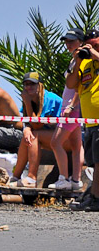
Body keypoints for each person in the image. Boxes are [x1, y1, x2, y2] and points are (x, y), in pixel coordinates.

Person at [8, 72, 62, 187]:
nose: (29, 87)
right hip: (52, 139)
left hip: (68, 140)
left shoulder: (49, 99)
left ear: (40, 85)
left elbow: (37, 126)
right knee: (27, 137)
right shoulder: (31, 99)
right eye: (26, 84)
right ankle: (15, 177)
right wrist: (27, 129)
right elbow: (29, 123)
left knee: (34, 135)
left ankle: (31, 179)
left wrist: (27, 102)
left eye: (32, 84)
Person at [66, 28, 99, 211]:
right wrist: (78, 61)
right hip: (90, 122)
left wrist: (95, 54)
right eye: (88, 45)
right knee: (93, 162)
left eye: (95, 44)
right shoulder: (84, 63)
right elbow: (71, 84)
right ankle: (93, 196)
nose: (91, 47)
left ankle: (95, 198)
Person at [48, 28, 85, 191]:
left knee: (55, 142)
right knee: (76, 145)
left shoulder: (82, 60)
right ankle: (76, 180)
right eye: (66, 41)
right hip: (70, 107)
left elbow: (80, 86)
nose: (68, 44)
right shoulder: (74, 59)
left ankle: (63, 178)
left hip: (72, 108)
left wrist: (71, 106)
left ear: (81, 42)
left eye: (72, 41)